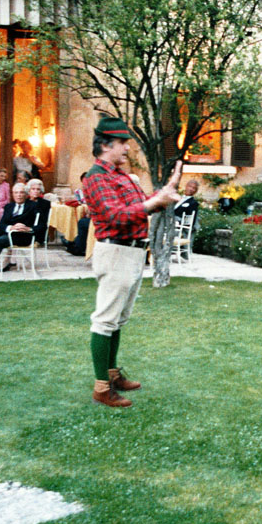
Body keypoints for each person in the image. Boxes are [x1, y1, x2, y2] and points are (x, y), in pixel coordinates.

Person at [83, 116, 181, 408]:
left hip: (133, 252)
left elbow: (136, 208)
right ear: (105, 145)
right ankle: (102, 387)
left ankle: (112, 374)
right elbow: (116, 216)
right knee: (105, 320)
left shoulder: (119, 175)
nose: (127, 148)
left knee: (117, 319)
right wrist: (155, 202)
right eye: (122, 143)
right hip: (117, 253)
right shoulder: (97, 177)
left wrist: (162, 195)